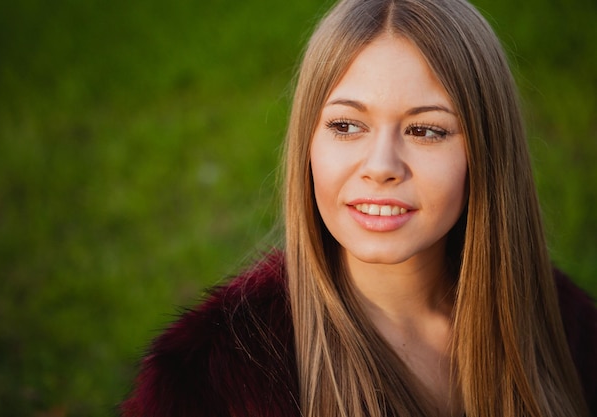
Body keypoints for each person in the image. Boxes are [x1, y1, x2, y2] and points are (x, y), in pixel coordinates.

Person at [121, 0, 597, 415]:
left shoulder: (565, 328)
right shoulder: (209, 381)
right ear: (308, 141)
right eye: (347, 126)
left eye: (426, 130)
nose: (381, 166)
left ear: (487, 152)